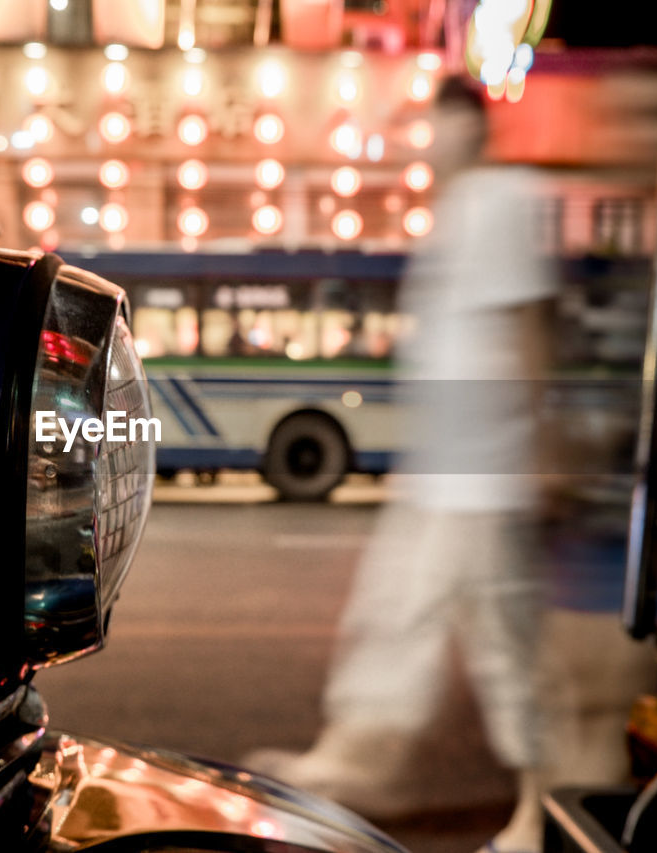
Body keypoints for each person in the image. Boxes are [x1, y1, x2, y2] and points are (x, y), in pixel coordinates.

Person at [244, 77, 558, 853]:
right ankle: (356, 761)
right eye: (430, 127)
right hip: (440, 472)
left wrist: (540, 446)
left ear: (476, 131)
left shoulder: (502, 200)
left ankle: (538, 812)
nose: (434, 142)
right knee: (394, 615)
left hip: (488, 473)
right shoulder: (451, 216)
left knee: (507, 648)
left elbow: (526, 326)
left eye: (448, 126)